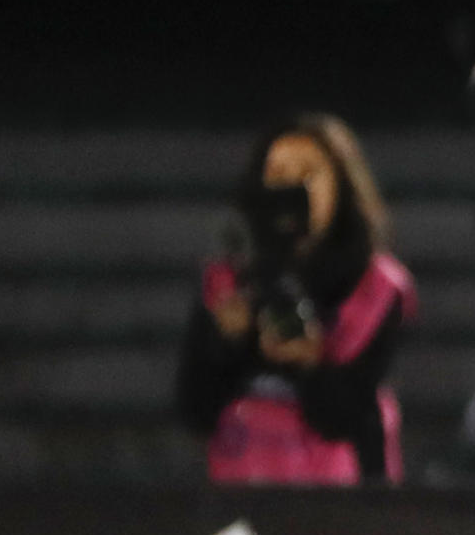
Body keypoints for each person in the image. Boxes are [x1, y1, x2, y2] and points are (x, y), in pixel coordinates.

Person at [176, 113, 414, 484]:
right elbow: (194, 411)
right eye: (278, 173)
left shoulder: (377, 287)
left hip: (341, 500)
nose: (291, 188)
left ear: (341, 185)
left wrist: (311, 365)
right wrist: (225, 342)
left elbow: (347, 419)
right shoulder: (226, 282)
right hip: (242, 491)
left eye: (308, 173)